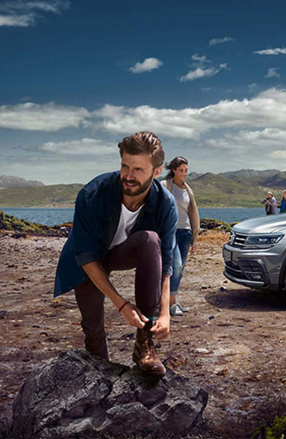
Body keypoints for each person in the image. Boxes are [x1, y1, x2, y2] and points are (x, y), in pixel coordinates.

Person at [53, 131, 177, 377]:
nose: (129, 176)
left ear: (156, 171)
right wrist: (121, 304)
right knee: (93, 326)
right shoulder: (92, 194)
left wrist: (164, 313)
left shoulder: (166, 204)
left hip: (122, 252)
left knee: (150, 240)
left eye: (138, 169)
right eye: (125, 166)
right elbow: (86, 257)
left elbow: (166, 262)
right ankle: (102, 375)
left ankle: (145, 346)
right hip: (86, 262)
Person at [161, 156, 199, 317]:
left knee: (180, 267)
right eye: (181, 170)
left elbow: (192, 212)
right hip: (171, 231)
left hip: (186, 232)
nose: (184, 173)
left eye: (186, 170)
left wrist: (194, 238)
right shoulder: (164, 186)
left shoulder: (187, 190)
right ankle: (168, 304)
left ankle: (173, 301)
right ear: (174, 170)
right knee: (175, 265)